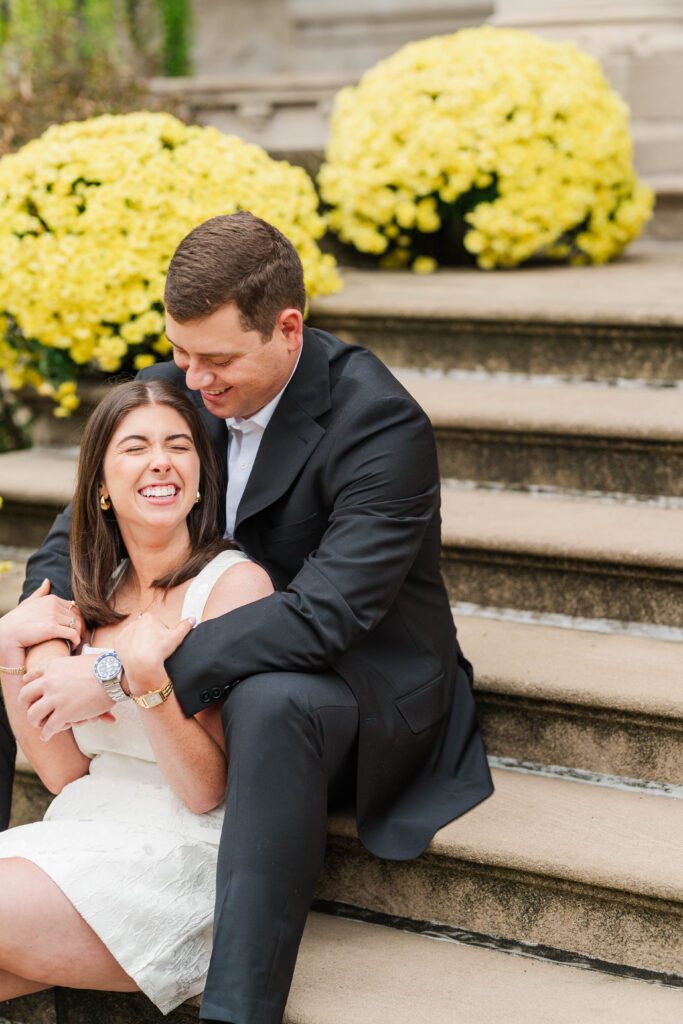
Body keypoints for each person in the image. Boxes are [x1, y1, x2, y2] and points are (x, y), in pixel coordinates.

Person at [7, 211, 493, 1024]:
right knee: (19, 634)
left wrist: (116, 672)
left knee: (271, 702)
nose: (193, 380)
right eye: (180, 352)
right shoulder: (188, 381)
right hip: (202, 660)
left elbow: (324, 614)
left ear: (287, 329)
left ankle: (239, 1009)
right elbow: (75, 537)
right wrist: (51, 643)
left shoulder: (378, 423)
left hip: (351, 680)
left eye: (217, 360)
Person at [0, 379, 273, 1012]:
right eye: (136, 447)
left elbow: (205, 790)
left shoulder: (232, 588)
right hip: (79, 831)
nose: (160, 461)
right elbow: (64, 773)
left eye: (178, 446)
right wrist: (8, 651)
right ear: (100, 484)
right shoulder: (89, 594)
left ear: (200, 478)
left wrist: (144, 678)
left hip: (179, 857)